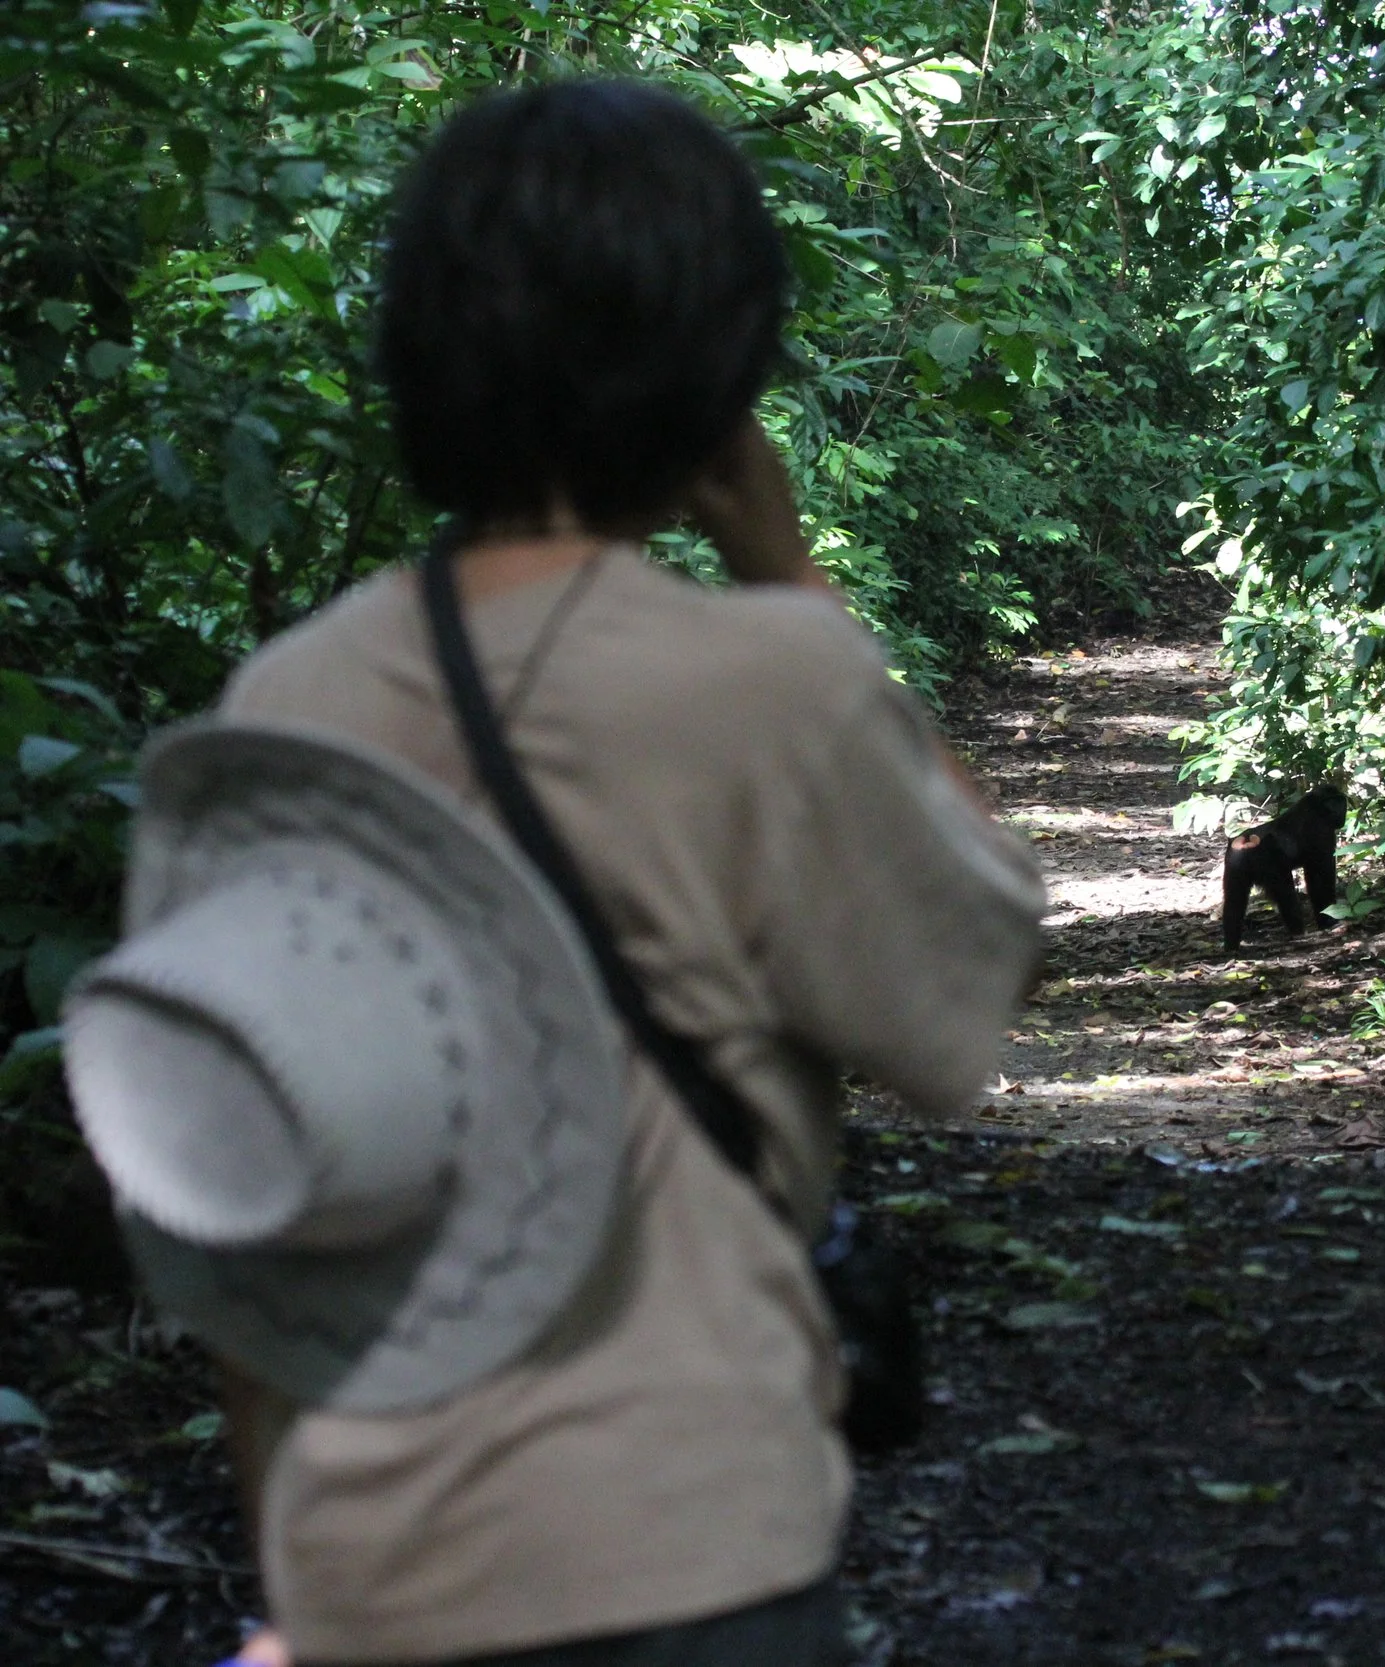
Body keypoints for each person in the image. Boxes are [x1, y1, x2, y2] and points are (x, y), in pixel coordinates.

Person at [72, 79, 1045, 1666]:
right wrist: (787, 568)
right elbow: (983, 964)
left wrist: (297, 1586)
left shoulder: (290, 700)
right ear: (718, 373)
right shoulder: (769, 683)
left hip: (371, 1563)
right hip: (686, 1551)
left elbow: (234, 1185)